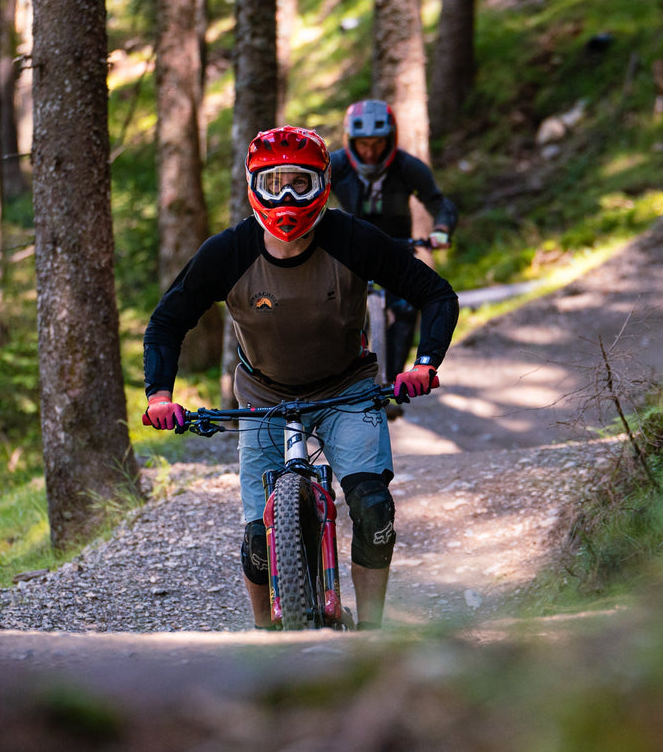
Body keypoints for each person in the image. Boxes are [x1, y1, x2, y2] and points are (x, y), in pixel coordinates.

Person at [141, 126, 459, 631]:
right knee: (257, 541)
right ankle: (267, 637)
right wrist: (160, 395)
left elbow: (435, 293)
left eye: (300, 183)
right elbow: (167, 322)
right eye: (273, 184)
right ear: (253, 187)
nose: (287, 197)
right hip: (262, 395)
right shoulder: (229, 251)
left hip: (348, 388)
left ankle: (372, 633)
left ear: (324, 185)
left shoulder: (352, 238)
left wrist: (424, 365)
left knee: (373, 509)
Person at [328, 100, 459, 393]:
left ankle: (392, 379)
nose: (370, 152)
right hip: (352, 251)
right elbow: (310, 192)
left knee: (406, 307)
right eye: (363, 144)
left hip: (397, 249)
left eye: (377, 143)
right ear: (351, 141)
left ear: (391, 140)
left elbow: (439, 203)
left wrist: (441, 229)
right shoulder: (335, 165)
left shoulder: (407, 166)